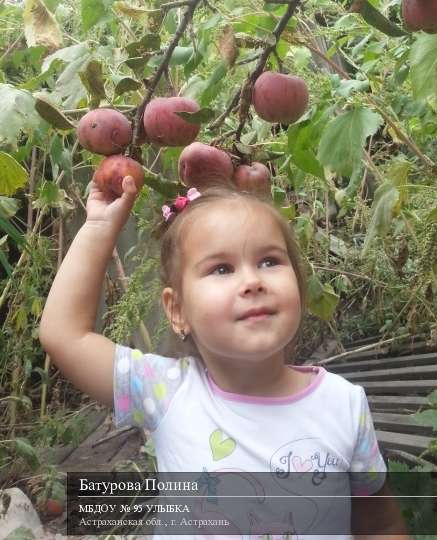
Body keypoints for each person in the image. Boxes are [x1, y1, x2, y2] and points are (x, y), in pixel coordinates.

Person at [39, 174, 408, 540]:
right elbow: (64, 334)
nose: (252, 281)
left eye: (269, 261)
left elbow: (380, 525)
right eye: (221, 269)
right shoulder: (166, 392)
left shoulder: (343, 403)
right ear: (178, 310)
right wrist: (101, 225)